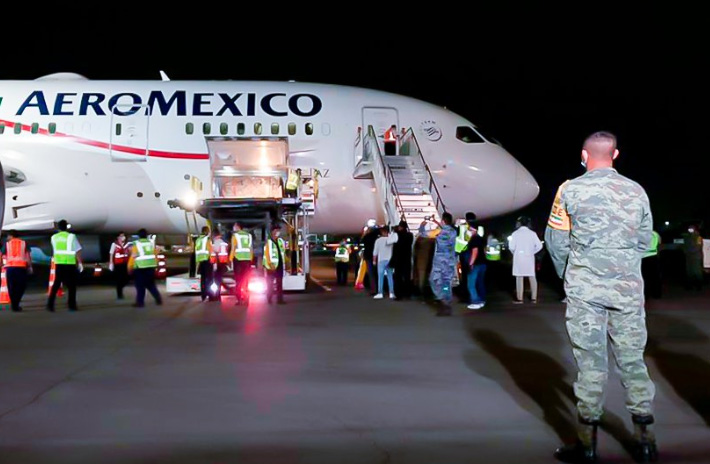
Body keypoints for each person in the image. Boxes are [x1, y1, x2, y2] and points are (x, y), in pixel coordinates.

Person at [545, 131, 657, 463]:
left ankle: (587, 445)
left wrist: (572, 274)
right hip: (627, 289)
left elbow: (556, 241)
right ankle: (646, 442)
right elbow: (645, 240)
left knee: (590, 363)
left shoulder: (569, 189)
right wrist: (623, 266)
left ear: (584, 154)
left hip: (585, 290)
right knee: (633, 362)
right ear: (616, 154)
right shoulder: (636, 191)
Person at [419, 212, 457, 316]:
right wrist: (435, 221)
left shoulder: (439, 232)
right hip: (450, 261)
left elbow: (423, 234)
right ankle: (447, 303)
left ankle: (442, 301)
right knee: (446, 283)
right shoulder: (453, 231)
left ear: (443, 221)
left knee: (434, 280)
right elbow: (445, 228)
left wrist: (422, 225)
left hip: (440, 262)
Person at [47, 219, 83, 312]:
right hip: (70, 263)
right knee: (71, 285)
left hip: (59, 263)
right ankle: (72, 306)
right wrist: (80, 263)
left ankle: (50, 305)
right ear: (66, 227)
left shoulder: (53, 237)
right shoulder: (71, 236)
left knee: (56, 284)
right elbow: (77, 250)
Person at [509, 216, 543, 304]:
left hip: (519, 257)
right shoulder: (532, 233)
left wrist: (515, 253)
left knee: (519, 277)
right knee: (532, 276)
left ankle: (520, 298)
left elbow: (511, 247)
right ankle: (533, 298)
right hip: (529, 257)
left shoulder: (515, 234)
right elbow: (540, 246)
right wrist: (532, 252)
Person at [129, 228, 162, 308]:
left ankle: (140, 303)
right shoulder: (151, 243)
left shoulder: (136, 244)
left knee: (140, 286)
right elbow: (155, 254)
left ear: (138, 236)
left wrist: (130, 267)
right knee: (151, 284)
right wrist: (157, 265)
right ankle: (158, 299)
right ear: (146, 235)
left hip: (140, 267)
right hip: (151, 266)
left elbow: (133, 256)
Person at [1, 230, 33, 312]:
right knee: (21, 286)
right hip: (21, 267)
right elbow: (28, 255)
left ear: (11, 236)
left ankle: (14, 304)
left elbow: (2, 255)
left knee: (11, 287)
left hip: (10, 268)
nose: (7, 237)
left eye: (8, 236)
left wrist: (2, 265)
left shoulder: (7, 243)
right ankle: (16, 303)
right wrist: (29, 267)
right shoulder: (24, 243)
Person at [463, 219, 488, 310]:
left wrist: (471, 263)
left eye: (469, 229)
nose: (468, 230)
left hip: (476, 264)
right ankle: (481, 300)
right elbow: (485, 251)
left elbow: (475, 251)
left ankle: (475, 301)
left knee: (471, 284)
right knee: (480, 283)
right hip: (483, 264)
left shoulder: (474, 239)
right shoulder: (481, 239)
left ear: (473, 229)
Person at [230, 222, 254, 304]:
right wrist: (251, 259)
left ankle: (239, 299)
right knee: (246, 279)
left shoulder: (235, 236)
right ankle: (246, 297)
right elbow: (251, 248)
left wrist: (230, 259)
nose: (233, 227)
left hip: (238, 259)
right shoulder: (249, 235)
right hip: (247, 259)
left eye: (234, 226)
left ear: (237, 227)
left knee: (238, 280)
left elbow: (233, 248)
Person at [263, 224, 286, 304]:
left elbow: (283, 252)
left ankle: (280, 299)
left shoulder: (280, 241)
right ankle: (269, 298)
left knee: (279, 283)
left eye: (278, 231)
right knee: (270, 283)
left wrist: (285, 261)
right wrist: (270, 263)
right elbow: (267, 254)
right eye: (276, 230)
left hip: (279, 265)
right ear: (272, 232)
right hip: (271, 266)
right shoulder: (269, 242)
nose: (277, 232)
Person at [372, 226, 398, 299]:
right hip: (390, 260)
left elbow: (375, 252)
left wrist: (374, 261)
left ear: (381, 232)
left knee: (380, 277)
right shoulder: (391, 240)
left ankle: (380, 293)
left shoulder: (378, 240)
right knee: (390, 277)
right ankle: (391, 293)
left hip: (381, 260)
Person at [391, 220, 414, 300]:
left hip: (398, 259)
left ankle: (398, 295)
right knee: (407, 277)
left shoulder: (397, 235)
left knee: (398, 277)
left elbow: (394, 246)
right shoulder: (410, 235)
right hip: (407, 258)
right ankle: (408, 294)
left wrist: (396, 230)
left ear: (400, 227)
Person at [108, 231, 131, 299]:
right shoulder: (114, 244)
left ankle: (120, 287)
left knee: (126, 278)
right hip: (118, 264)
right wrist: (111, 262)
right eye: (121, 236)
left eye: (123, 236)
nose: (123, 237)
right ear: (118, 237)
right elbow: (111, 253)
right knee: (119, 279)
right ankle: (119, 294)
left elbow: (130, 252)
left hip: (125, 263)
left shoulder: (127, 244)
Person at [641, 229, 662, 298]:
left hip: (644, 256)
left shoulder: (642, 233)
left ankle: (646, 294)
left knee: (645, 277)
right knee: (655, 276)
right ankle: (657, 294)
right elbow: (659, 242)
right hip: (654, 256)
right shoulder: (655, 234)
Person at [361, 221, 381, 295]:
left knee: (371, 273)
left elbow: (362, 240)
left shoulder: (367, 236)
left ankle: (373, 289)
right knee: (378, 273)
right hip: (378, 256)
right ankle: (380, 289)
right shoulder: (377, 236)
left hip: (369, 256)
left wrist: (365, 233)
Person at [210, 227, 230, 301]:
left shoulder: (216, 242)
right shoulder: (222, 242)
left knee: (216, 280)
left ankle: (217, 296)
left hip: (218, 263)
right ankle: (219, 294)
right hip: (223, 262)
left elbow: (216, 252)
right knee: (219, 279)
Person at [682, 224, 704, 291]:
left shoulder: (699, 238)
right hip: (689, 256)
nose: (690, 230)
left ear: (695, 230)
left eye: (692, 229)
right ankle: (690, 286)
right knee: (689, 271)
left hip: (696, 256)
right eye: (689, 229)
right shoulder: (686, 237)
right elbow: (684, 246)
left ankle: (699, 286)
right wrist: (685, 251)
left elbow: (698, 247)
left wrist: (689, 251)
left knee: (697, 272)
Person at [194, 226, 213, 302]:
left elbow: (196, 250)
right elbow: (210, 250)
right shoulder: (207, 239)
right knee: (209, 279)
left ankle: (203, 296)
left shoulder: (198, 239)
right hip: (207, 260)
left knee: (203, 279)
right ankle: (210, 295)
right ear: (207, 231)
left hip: (200, 261)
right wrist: (212, 261)